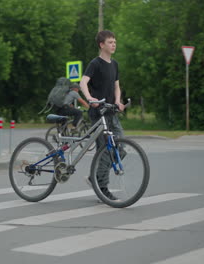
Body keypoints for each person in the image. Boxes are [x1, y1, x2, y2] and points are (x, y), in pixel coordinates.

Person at [79, 30, 124, 200]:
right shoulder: (95, 63)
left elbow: (116, 86)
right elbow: (83, 82)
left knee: (120, 147)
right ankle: (102, 186)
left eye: (115, 41)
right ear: (102, 45)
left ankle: (94, 178)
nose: (114, 44)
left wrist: (118, 101)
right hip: (98, 113)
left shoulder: (115, 64)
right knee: (104, 149)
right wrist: (90, 98)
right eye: (110, 42)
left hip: (111, 111)